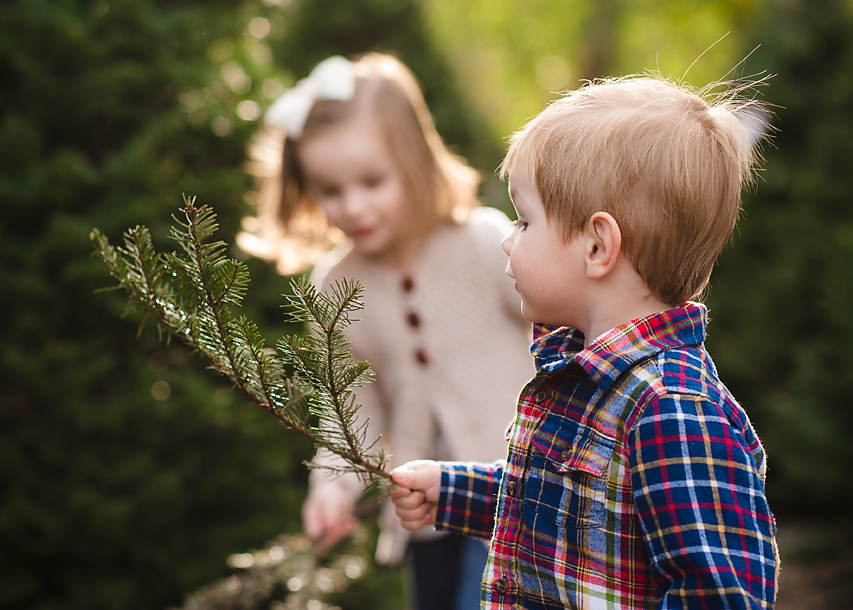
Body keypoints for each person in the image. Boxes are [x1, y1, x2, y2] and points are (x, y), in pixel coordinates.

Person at [389, 75, 780, 609]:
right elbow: (568, 510)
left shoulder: (671, 412)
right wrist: (452, 492)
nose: (507, 238)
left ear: (598, 246)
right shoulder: (583, 375)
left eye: (525, 221)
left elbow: (720, 595)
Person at [237, 53, 535, 609]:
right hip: (425, 510)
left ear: (416, 160)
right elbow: (355, 406)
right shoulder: (337, 284)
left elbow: (561, 335)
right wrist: (333, 486)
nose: (353, 206)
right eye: (329, 190)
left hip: (517, 494)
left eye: (373, 181)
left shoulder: (483, 244)